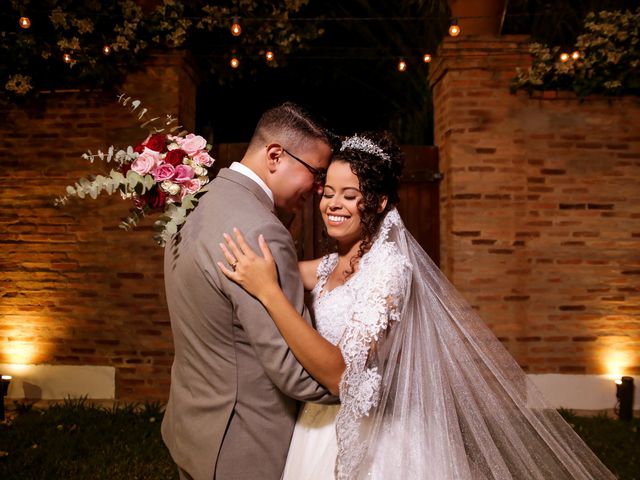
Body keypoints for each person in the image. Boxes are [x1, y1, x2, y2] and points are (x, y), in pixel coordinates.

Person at [218, 132, 616, 479]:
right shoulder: (330, 265)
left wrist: (269, 294)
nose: (332, 204)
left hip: (375, 436)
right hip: (317, 427)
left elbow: (341, 375)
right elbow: (281, 265)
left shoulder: (389, 270)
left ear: (377, 202)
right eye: (328, 193)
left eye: (350, 195)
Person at [161, 102, 338, 480]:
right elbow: (292, 371)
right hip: (244, 447)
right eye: (316, 173)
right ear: (275, 156)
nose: (320, 188)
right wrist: (365, 386)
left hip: (192, 430)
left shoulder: (196, 204)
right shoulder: (262, 232)